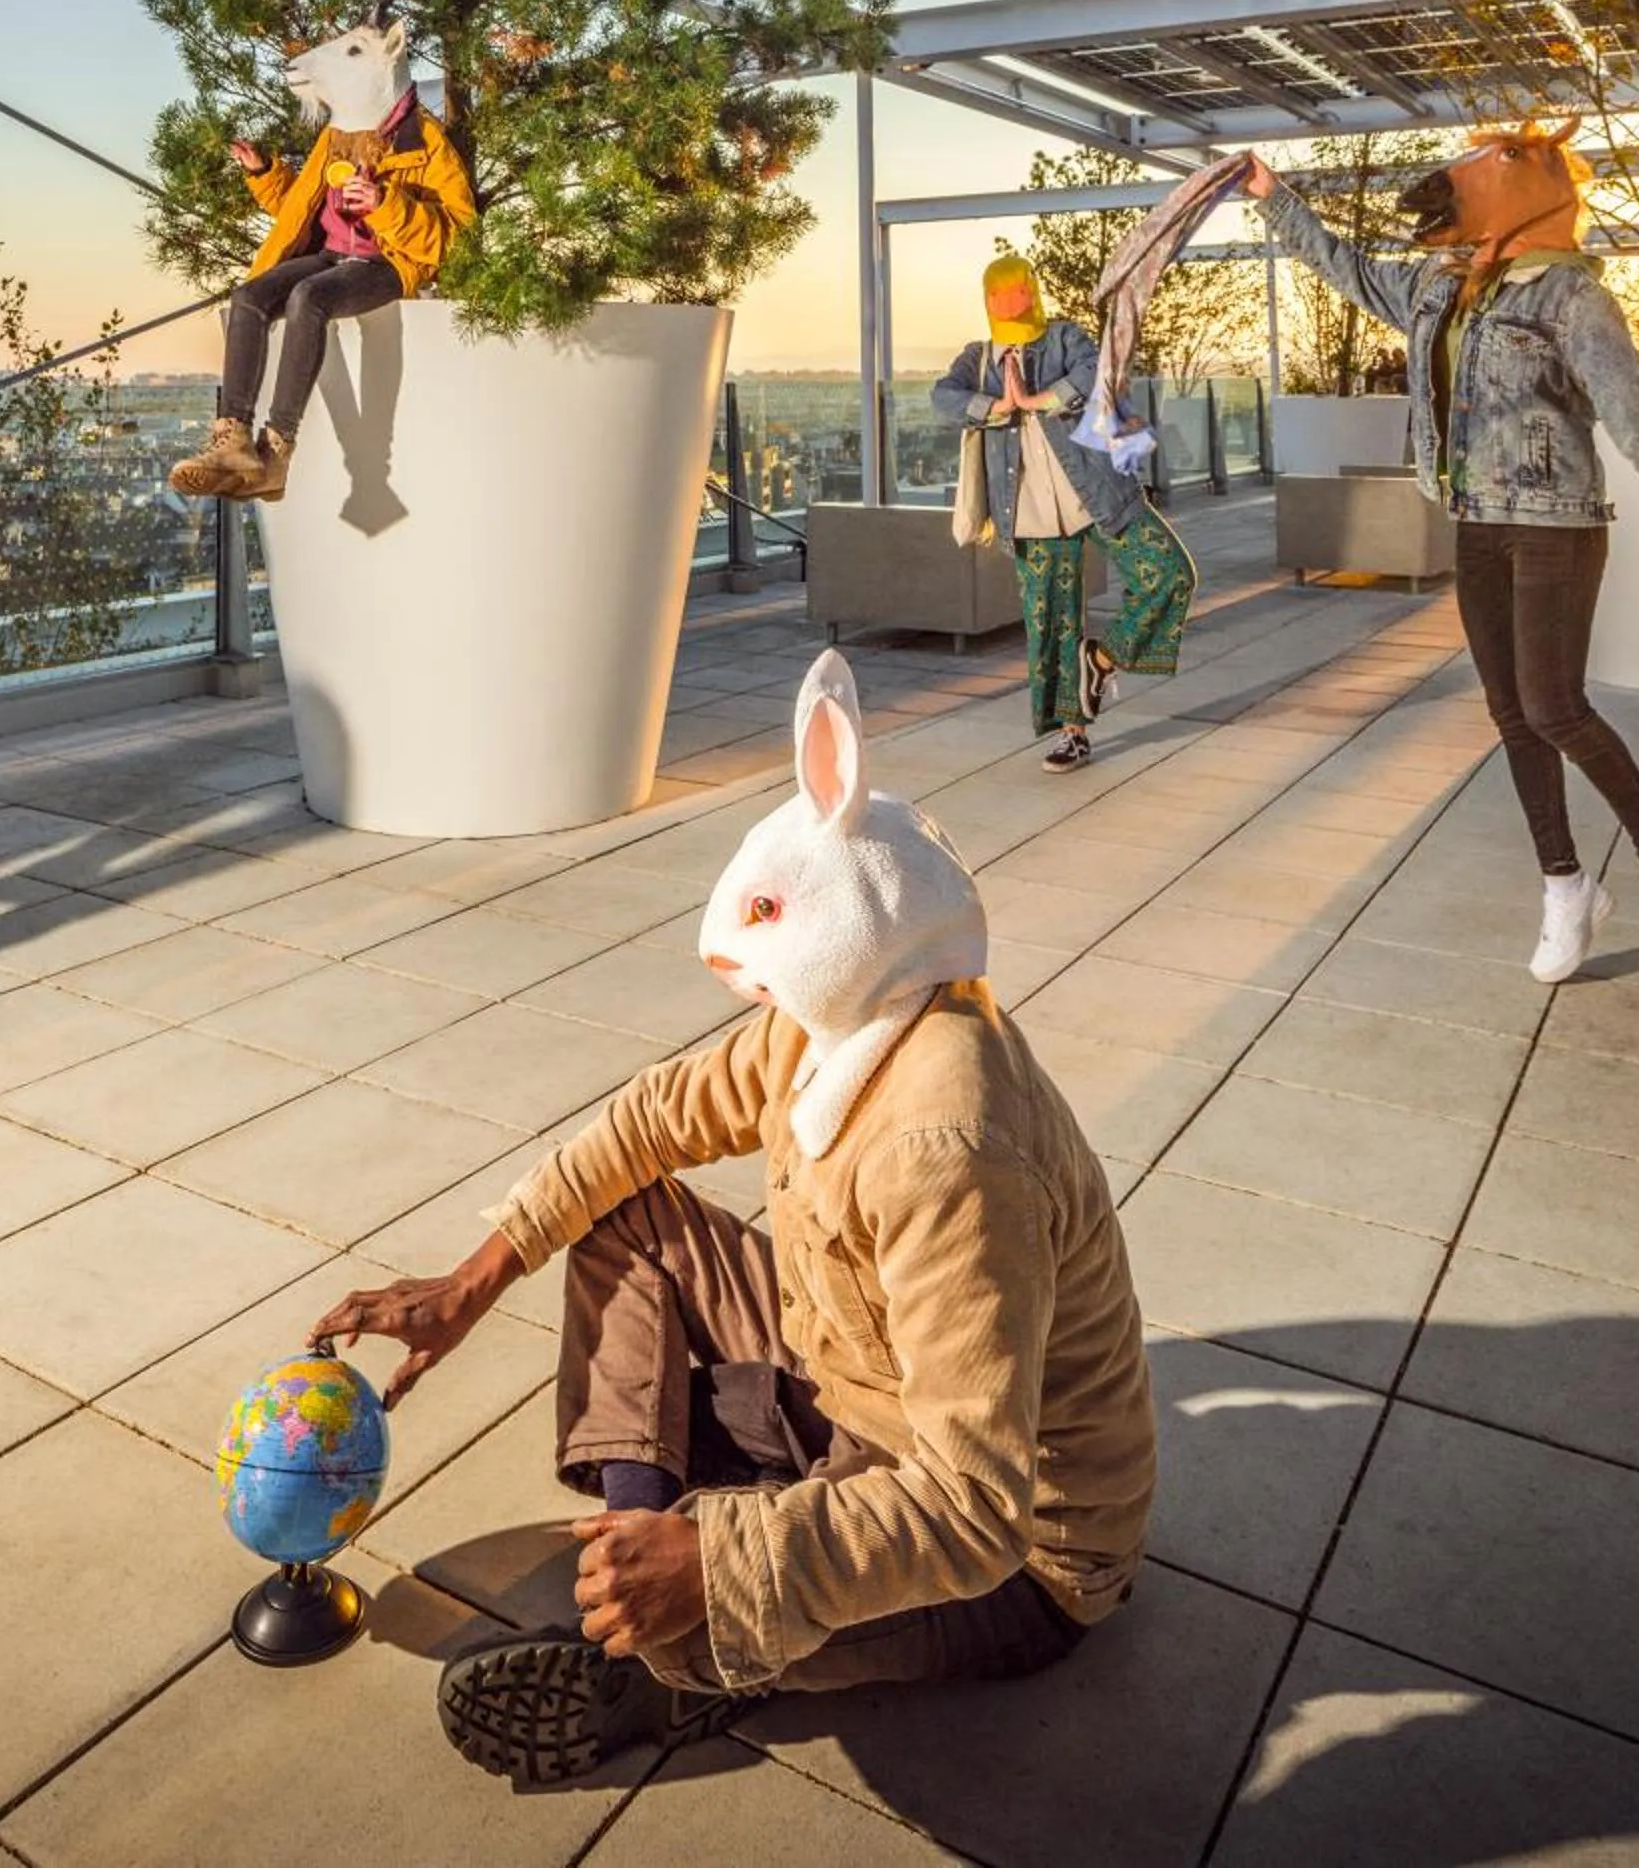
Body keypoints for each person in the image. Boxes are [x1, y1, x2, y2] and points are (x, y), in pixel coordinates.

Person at [313, 652, 1153, 1784]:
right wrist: (473, 1282)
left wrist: (718, 1564)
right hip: (856, 1384)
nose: (726, 959)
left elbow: (974, 1511)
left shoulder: (947, 1150)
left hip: (1020, 1574)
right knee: (628, 1219)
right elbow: (653, 1119)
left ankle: (655, 1664)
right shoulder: (848, 1019)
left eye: (763, 920)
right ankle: (641, 1536)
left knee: (720, 1609)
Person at [1241, 126, 1639, 983]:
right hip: (1475, 520)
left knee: (1555, 708)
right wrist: (1274, 198)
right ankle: (1566, 886)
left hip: (1557, 523)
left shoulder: (1572, 298)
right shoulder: (1437, 287)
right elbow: (1346, 267)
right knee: (1512, 715)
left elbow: (1634, 409)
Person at [167, 17, 475, 505]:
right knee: (249, 297)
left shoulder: (427, 143)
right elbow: (301, 206)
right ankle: (233, 442)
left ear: (389, 55)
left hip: (386, 263)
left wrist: (384, 205)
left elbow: (456, 233)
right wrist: (264, 174)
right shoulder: (335, 137)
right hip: (330, 254)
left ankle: (276, 453)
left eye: (352, 53)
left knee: (308, 298)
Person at [930, 250, 1197, 771]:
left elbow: (1095, 372)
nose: (1011, 301)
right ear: (986, 299)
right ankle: (1072, 734)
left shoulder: (1063, 337)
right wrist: (998, 406)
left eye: (1019, 289)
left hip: (1099, 493)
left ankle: (1102, 659)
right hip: (1028, 513)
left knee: (1171, 573)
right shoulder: (977, 359)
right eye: (999, 293)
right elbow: (942, 398)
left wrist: (1037, 400)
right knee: (1052, 625)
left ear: (1033, 290)